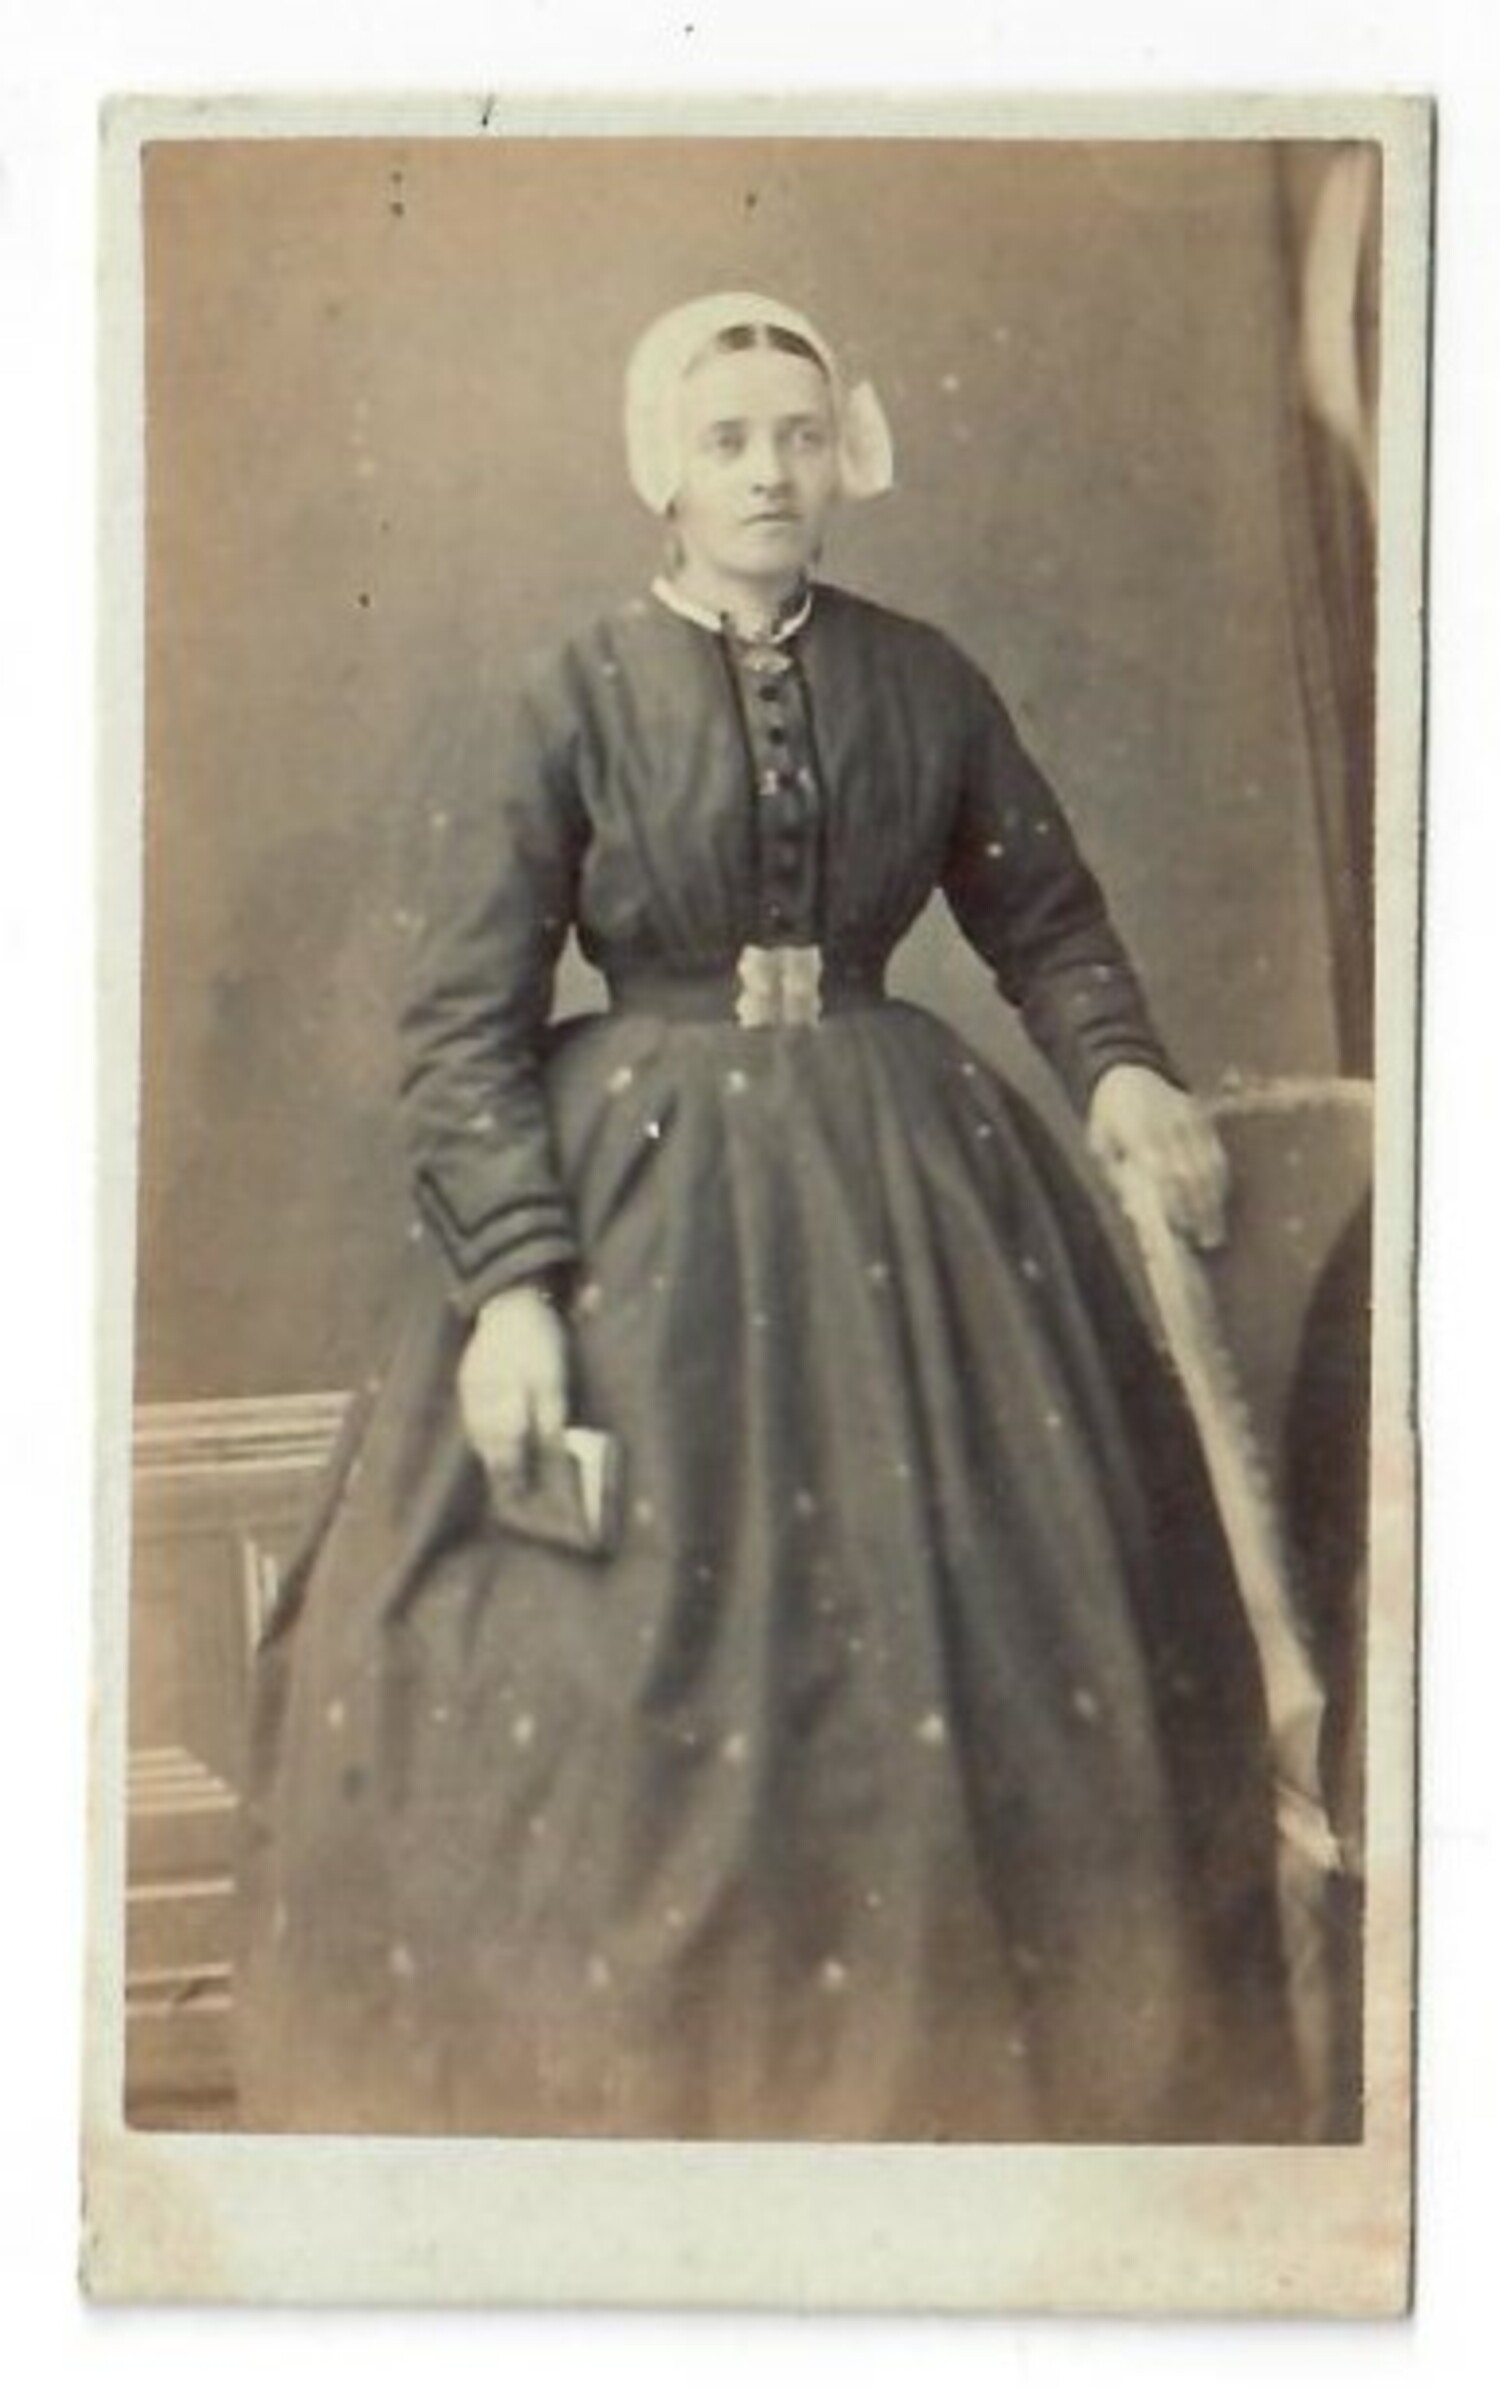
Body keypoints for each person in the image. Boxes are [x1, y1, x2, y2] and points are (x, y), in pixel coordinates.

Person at [234, 292, 1299, 2141]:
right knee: (591, 1665)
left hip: (912, 1184)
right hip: (638, 1204)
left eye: (799, 437)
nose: (768, 475)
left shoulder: (925, 679)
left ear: (845, 455)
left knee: (979, 1652)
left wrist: (1121, 1070)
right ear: (662, 468)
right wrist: (514, 1291)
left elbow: (1045, 920)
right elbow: (464, 1020)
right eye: (727, 441)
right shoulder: (569, 694)